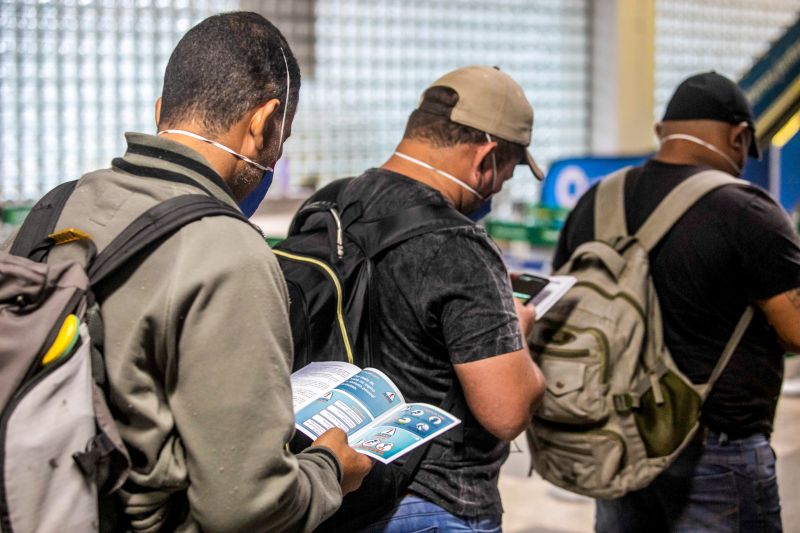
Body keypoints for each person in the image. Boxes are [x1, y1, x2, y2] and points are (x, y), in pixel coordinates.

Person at [3, 12, 372, 532]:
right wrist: (332, 469)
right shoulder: (228, 251)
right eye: (281, 138)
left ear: (161, 112)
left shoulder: (52, 209)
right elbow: (245, 508)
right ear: (264, 124)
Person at [553, 71, 800, 532]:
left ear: (660, 132)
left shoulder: (595, 202)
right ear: (739, 135)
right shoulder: (749, 210)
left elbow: (560, 304)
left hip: (618, 443)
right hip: (717, 454)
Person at [334, 66, 547, 532]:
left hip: (338, 485)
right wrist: (518, 330)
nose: (497, 189)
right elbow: (506, 411)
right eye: (505, 176)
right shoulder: (458, 243)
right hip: (435, 502)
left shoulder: (334, 204)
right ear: (486, 158)